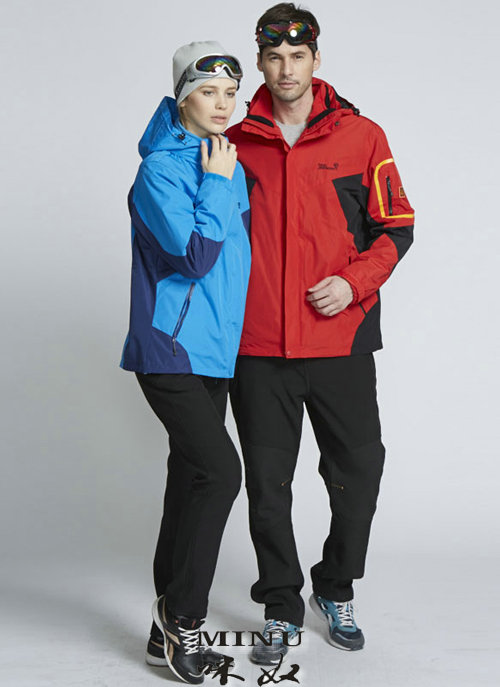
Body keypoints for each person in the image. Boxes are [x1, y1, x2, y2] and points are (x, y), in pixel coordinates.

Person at [227, 3, 415, 665]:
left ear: (315, 59)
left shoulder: (361, 136)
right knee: (268, 483)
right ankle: (281, 604)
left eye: (297, 56)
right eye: (274, 57)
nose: (286, 69)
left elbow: (397, 227)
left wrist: (354, 283)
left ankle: (334, 587)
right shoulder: (232, 141)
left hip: (340, 340)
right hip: (257, 346)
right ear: (260, 61)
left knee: (359, 470)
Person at [120, 41, 251, 685]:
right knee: (222, 473)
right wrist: (219, 183)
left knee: (191, 480)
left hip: (214, 353)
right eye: (207, 92)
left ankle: (160, 629)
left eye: (230, 93)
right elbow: (195, 258)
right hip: (168, 349)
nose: (222, 104)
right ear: (182, 99)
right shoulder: (161, 172)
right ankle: (184, 620)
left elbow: (235, 264)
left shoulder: (226, 161)